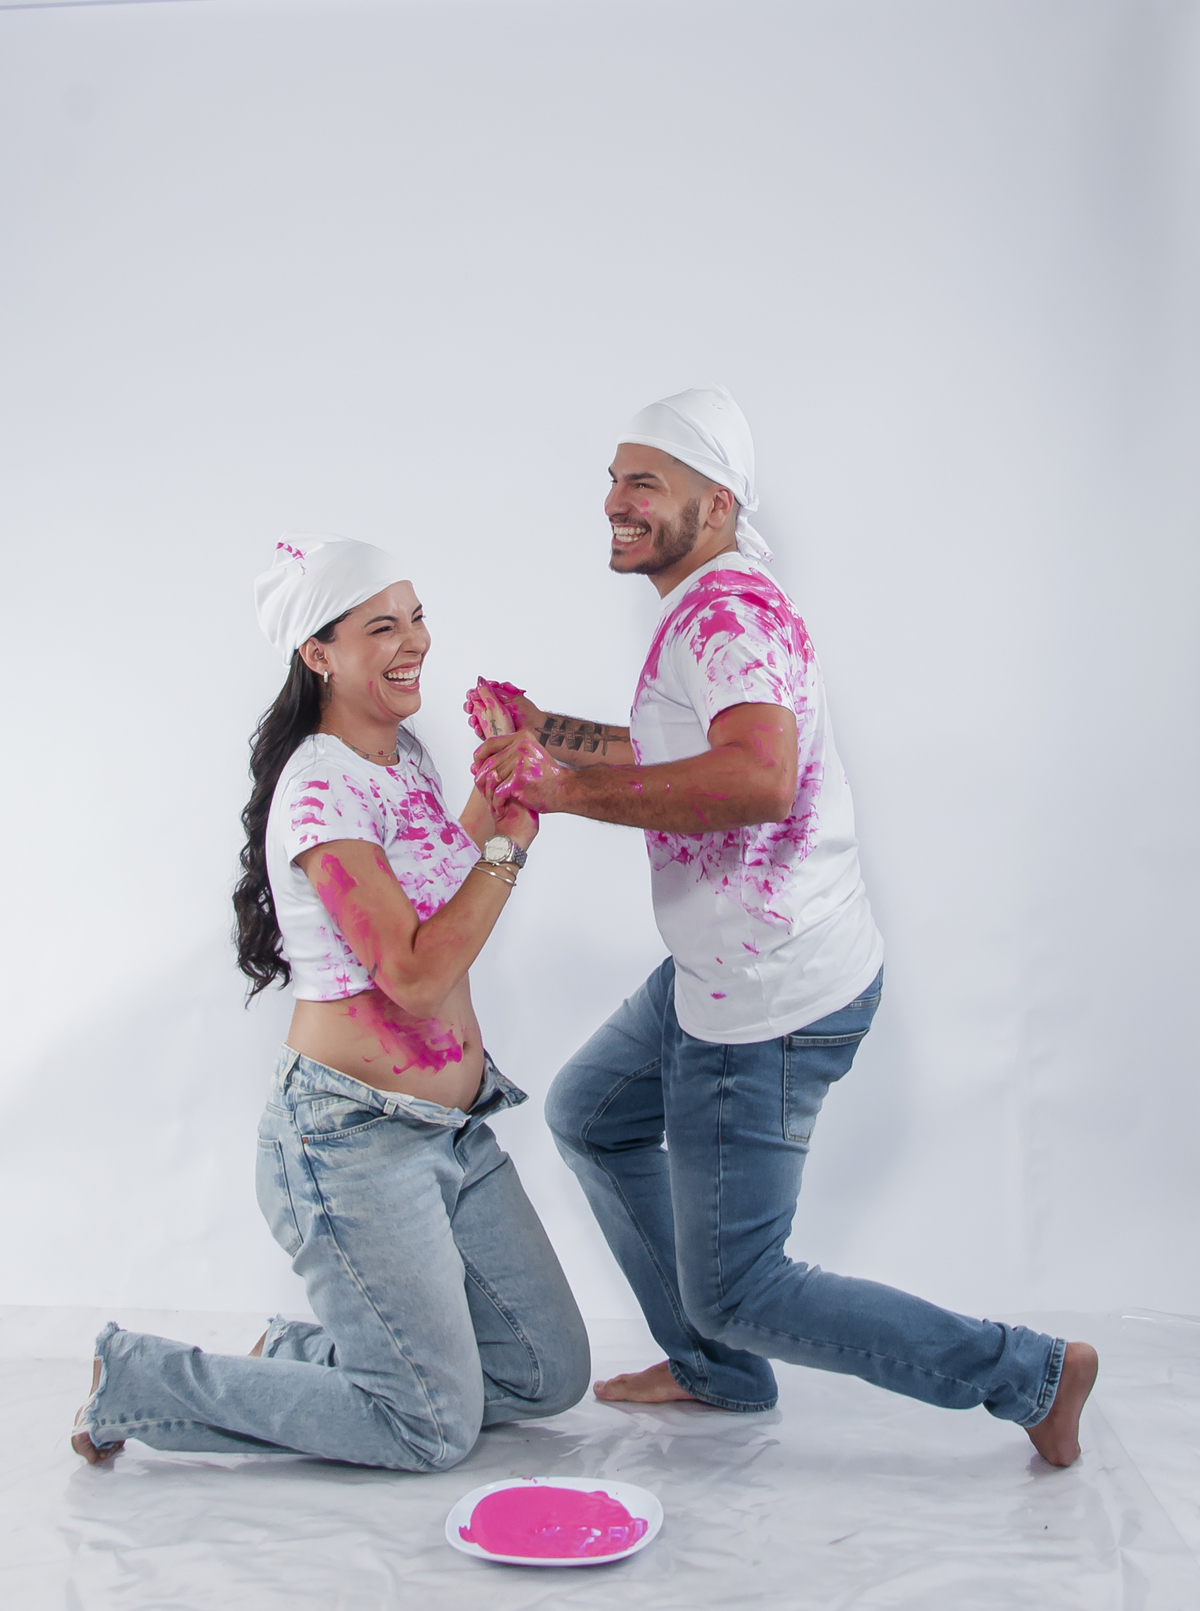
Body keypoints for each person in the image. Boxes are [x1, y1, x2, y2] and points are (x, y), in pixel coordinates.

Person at [471, 386, 1098, 1468]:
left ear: (717, 504)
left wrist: (563, 791)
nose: (615, 500)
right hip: (726, 969)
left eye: (643, 482)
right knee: (590, 1114)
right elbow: (688, 751)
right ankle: (716, 1370)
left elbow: (759, 779)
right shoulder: (711, 607)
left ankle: (1029, 1373)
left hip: (766, 998)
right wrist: (548, 730)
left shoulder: (727, 616)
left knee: (744, 1289)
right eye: (613, 479)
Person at [71, 535, 589, 1469]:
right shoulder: (319, 788)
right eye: (381, 627)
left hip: (449, 1131)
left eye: (417, 617)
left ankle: (311, 1355)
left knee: (547, 1372)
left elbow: (438, 880)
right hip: (351, 1140)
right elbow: (414, 975)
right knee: (432, 1428)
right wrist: (513, 839)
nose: (414, 641)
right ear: (318, 653)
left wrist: (497, 782)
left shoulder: (401, 758)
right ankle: (141, 1379)